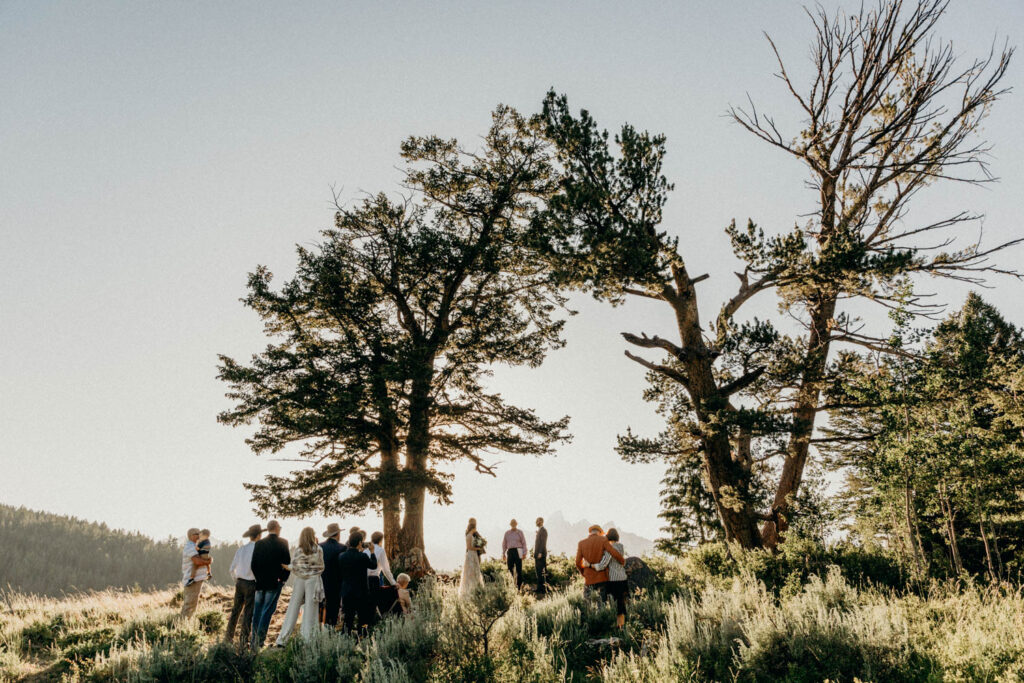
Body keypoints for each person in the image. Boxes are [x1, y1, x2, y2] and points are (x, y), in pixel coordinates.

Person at [275, 527, 326, 645]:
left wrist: (289, 567)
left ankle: (282, 639)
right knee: (311, 610)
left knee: (293, 607)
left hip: (300, 580)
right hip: (313, 580)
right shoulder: (318, 549)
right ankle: (309, 640)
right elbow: (321, 567)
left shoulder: (298, 550)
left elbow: (294, 566)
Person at [250, 520, 290, 650]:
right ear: (277, 528)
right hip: (274, 583)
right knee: (267, 612)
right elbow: (287, 564)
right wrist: (282, 580)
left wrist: (258, 579)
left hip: (260, 583)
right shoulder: (283, 543)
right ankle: (259, 642)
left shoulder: (259, 543)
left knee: (257, 612)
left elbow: (253, 564)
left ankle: (253, 641)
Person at [225, 524, 262, 647]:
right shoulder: (258, 549)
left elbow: (231, 569)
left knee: (235, 610)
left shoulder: (241, 549)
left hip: (240, 582)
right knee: (248, 613)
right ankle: (243, 641)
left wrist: (236, 580)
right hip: (251, 583)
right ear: (259, 535)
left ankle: (228, 638)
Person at [337, 531, 377, 634]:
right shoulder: (362, 556)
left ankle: (345, 638)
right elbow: (373, 565)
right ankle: (362, 638)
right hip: (361, 592)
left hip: (347, 591)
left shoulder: (342, 556)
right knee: (363, 617)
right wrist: (372, 552)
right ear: (360, 542)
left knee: (348, 618)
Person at [591, 527, 628, 628]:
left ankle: (613, 627)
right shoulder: (621, 546)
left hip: (613, 580)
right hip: (623, 579)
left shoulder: (610, 548)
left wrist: (591, 565)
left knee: (611, 603)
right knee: (621, 604)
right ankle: (621, 627)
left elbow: (603, 564)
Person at [575, 524, 624, 598]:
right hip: (602, 579)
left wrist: (583, 573)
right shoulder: (603, 540)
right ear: (599, 532)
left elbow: (578, 562)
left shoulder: (581, 543)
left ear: (590, 532)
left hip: (588, 578)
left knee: (587, 603)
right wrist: (622, 560)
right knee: (601, 604)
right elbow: (612, 552)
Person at [179, 527, 211, 619]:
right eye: (197, 533)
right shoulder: (190, 546)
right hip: (193, 579)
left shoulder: (195, 546)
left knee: (192, 604)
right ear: (191, 536)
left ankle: (185, 624)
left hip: (196, 579)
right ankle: (183, 625)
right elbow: (197, 561)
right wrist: (207, 562)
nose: (199, 535)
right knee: (190, 604)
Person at [319, 522, 345, 628]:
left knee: (320, 606)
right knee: (334, 607)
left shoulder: (320, 546)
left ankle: (319, 627)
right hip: (336, 582)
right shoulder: (342, 548)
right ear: (338, 534)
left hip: (321, 580)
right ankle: (331, 627)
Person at [458, 518, 486, 598]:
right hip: (471, 554)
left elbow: (479, 540)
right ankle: (471, 589)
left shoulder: (472, 533)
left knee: (475, 570)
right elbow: (469, 546)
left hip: (474, 554)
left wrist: (481, 544)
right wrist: (478, 548)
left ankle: (476, 589)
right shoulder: (469, 534)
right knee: (471, 571)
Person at [534, 517, 548, 596]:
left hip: (541, 554)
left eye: (538, 521)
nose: (536, 522)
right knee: (538, 572)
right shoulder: (539, 531)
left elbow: (543, 543)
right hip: (537, 554)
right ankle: (539, 588)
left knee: (542, 571)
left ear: (541, 522)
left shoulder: (543, 530)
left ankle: (543, 589)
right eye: (536, 521)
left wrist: (540, 552)